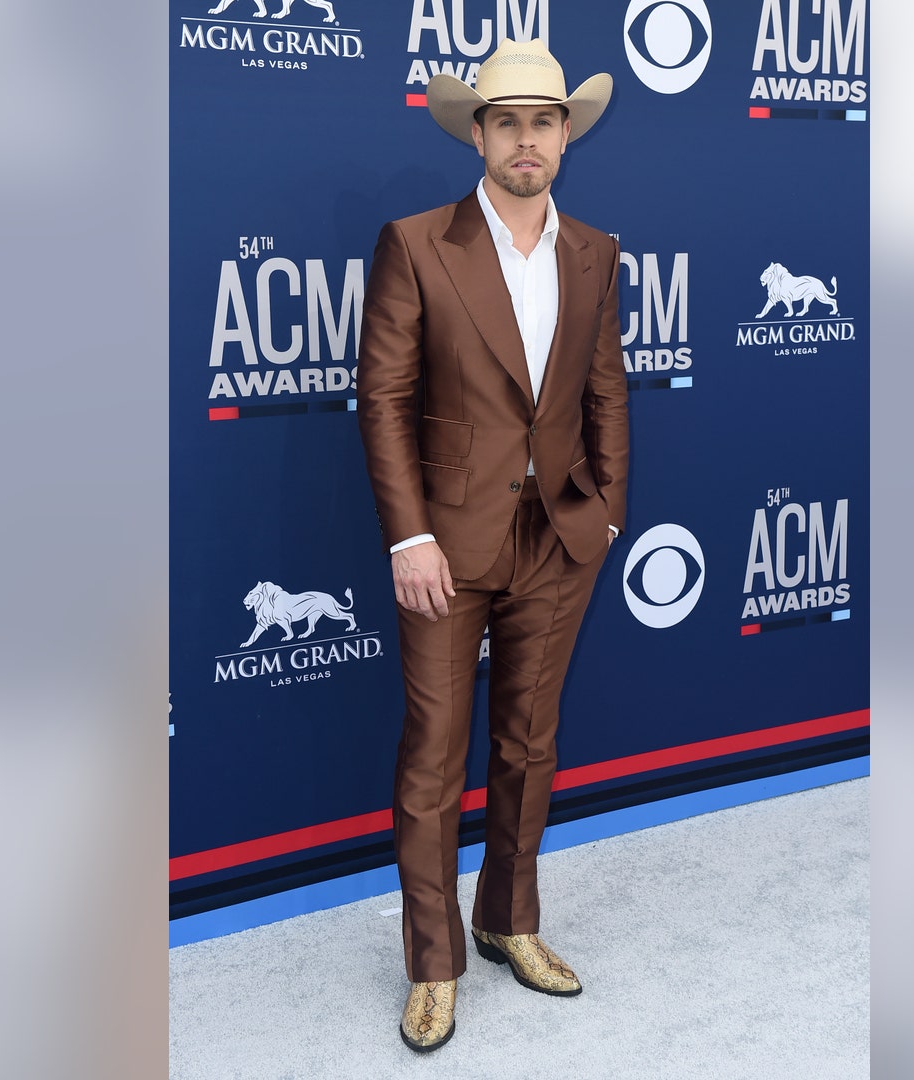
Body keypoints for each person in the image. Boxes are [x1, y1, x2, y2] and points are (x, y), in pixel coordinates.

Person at [355, 37, 629, 1054]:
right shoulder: (416, 243)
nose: (527, 140)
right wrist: (410, 536)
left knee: (529, 743)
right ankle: (434, 963)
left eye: (543, 122)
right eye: (507, 121)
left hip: (560, 536)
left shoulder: (595, 250)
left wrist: (607, 510)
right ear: (477, 134)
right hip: (447, 543)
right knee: (434, 755)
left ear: (566, 136)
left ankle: (508, 919)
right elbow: (383, 400)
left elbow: (605, 388)